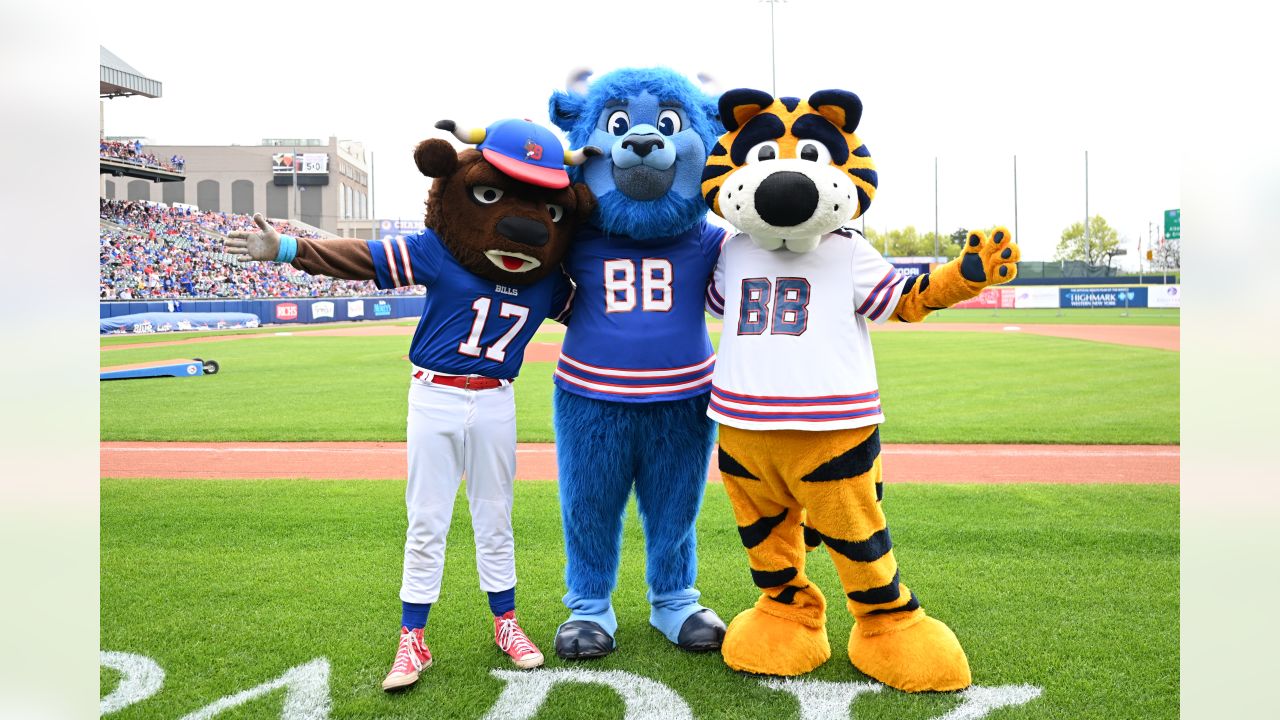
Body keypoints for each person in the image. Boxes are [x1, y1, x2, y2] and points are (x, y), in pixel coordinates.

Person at [223, 118, 598, 692]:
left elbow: (595, 318)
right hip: (435, 397)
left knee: (495, 519)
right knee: (427, 522)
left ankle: (506, 623)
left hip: (497, 401)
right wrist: (288, 249)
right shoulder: (439, 251)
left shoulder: (548, 279)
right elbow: (364, 258)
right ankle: (412, 638)